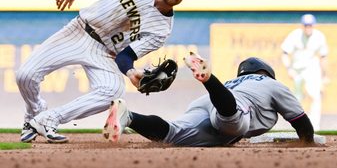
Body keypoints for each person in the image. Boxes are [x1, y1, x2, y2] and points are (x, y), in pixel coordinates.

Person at [17, 0, 197, 143]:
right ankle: (34, 113)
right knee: (25, 76)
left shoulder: (161, 30)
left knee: (113, 92)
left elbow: (125, 56)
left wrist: (131, 72)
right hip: (79, 31)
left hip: (105, 53)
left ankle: (49, 119)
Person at [102, 52, 315, 147]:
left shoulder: (236, 81)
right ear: (267, 72)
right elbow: (299, 120)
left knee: (172, 134)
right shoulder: (271, 83)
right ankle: (209, 79)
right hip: (233, 105)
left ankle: (129, 117)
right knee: (233, 122)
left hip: (208, 101)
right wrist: (308, 142)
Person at [281, 14, 329, 131]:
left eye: (310, 25)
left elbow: (323, 57)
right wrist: (289, 69)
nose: (308, 27)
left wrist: (325, 75)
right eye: (306, 25)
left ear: (313, 25)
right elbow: (285, 53)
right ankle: (298, 126)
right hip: (297, 69)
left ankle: (315, 127)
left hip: (312, 69)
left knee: (315, 96)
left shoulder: (319, 36)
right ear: (303, 26)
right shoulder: (295, 35)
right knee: (297, 98)